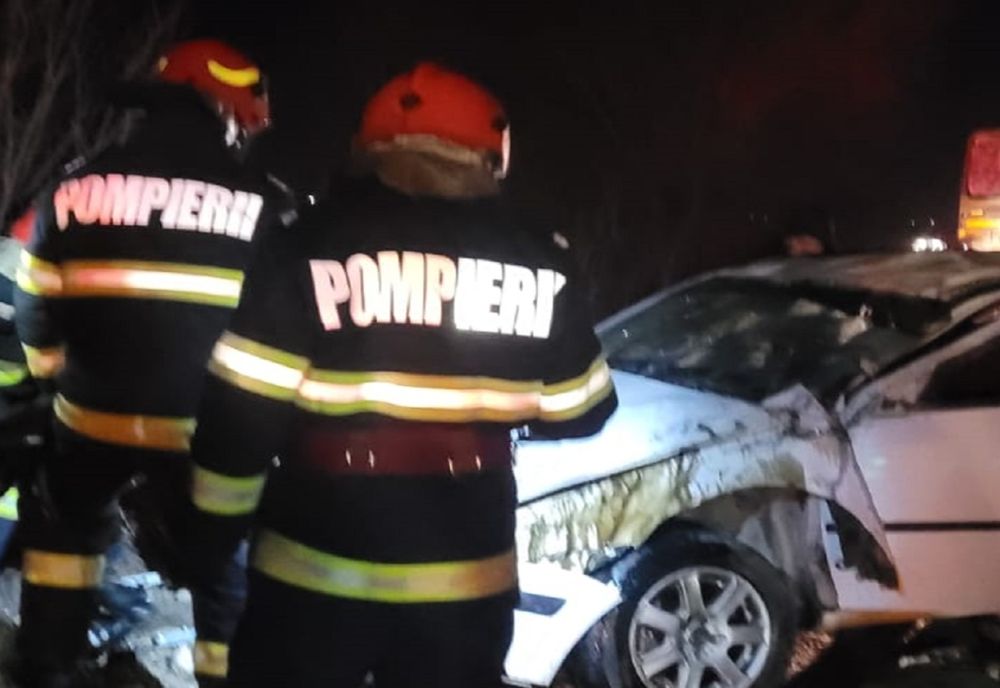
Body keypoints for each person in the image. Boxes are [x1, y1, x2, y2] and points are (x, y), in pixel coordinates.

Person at [184, 62, 618, 688]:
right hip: (465, 582)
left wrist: (210, 533)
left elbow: (240, 413)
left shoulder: (308, 241)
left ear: (370, 148)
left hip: (309, 575)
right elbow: (583, 409)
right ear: (492, 153)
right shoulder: (542, 258)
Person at [12, 38, 288, 687]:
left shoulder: (76, 184)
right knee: (224, 559)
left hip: (89, 417)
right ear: (226, 116)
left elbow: (34, 304)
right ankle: (226, 676)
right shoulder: (264, 203)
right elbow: (278, 331)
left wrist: (57, 379)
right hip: (203, 431)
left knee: (64, 541)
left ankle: (46, 666)